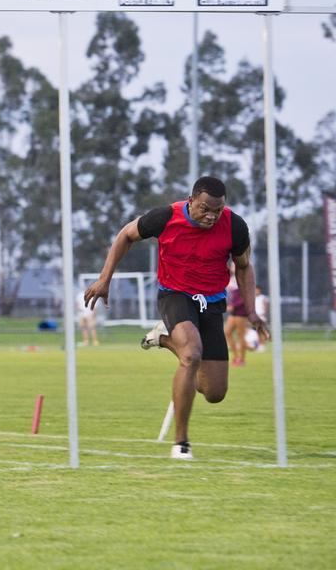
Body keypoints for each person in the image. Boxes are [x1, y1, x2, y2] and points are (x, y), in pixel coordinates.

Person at [84, 176, 268, 460]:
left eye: (217, 211)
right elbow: (125, 235)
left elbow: (243, 266)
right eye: (205, 209)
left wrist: (252, 311)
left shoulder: (235, 226)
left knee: (214, 391)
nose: (211, 216)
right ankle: (181, 442)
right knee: (192, 355)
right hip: (175, 295)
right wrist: (104, 279)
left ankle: (164, 339)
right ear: (191, 200)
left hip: (213, 302)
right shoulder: (165, 217)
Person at [225, 267, 249, 366]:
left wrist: (233, 306)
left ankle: (242, 359)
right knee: (227, 332)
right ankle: (236, 357)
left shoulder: (243, 278)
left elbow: (245, 296)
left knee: (240, 335)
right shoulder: (231, 278)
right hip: (233, 312)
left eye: (234, 266)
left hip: (241, 312)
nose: (232, 267)